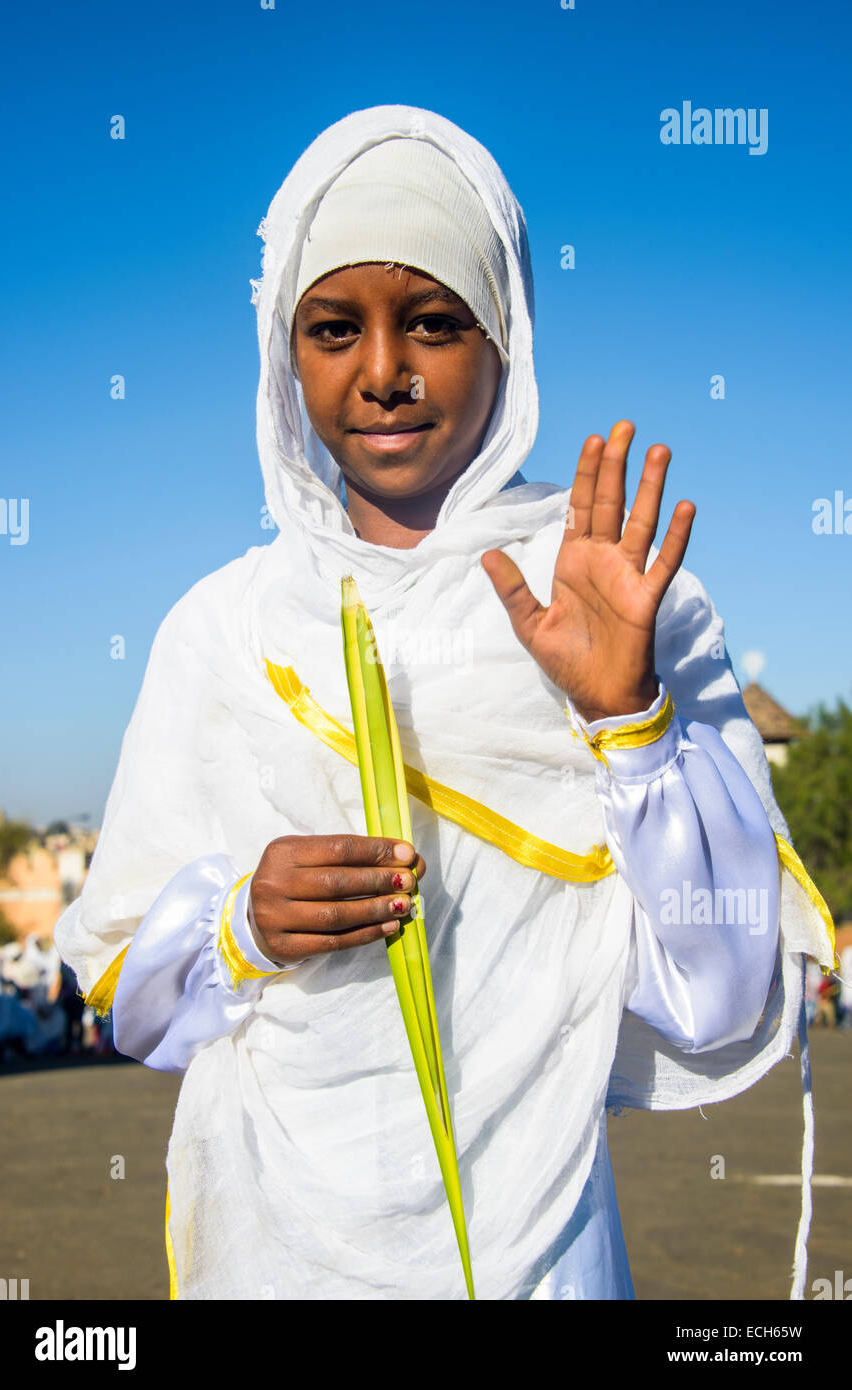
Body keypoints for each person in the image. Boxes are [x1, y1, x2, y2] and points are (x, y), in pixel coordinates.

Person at [54, 105, 836, 1301]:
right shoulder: (226, 632)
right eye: (334, 328)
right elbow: (128, 997)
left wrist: (630, 725)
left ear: (506, 335)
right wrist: (242, 922)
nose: (382, 371)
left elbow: (721, 998)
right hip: (274, 1255)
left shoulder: (614, 596)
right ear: (285, 350)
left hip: (542, 1259)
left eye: (432, 320)